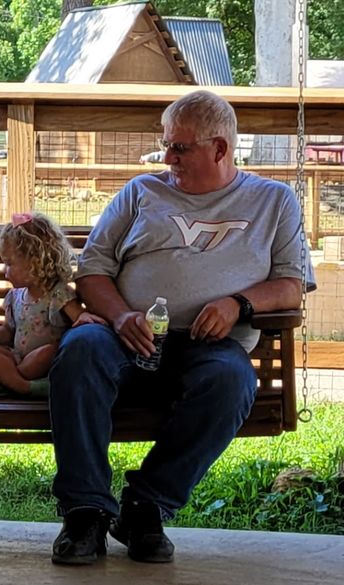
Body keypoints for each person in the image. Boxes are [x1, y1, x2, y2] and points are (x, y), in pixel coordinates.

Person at [49, 90, 315, 566]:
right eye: (166, 145)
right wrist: (120, 315)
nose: (167, 157)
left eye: (180, 148)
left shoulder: (274, 201)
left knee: (232, 380)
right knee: (81, 350)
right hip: (124, 337)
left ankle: (146, 506)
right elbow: (91, 272)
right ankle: (84, 512)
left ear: (220, 148)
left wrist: (238, 304)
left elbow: (291, 286)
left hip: (208, 345)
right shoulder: (140, 192)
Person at [0, 212, 105, 396]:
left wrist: (85, 317)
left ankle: (14, 384)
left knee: (45, 353)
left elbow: (78, 316)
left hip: (45, 362)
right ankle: (23, 384)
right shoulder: (14, 296)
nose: (4, 270)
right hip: (18, 359)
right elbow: (9, 330)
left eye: (9, 264)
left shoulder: (58, 294)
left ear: (35, 262)